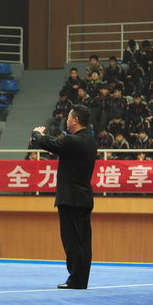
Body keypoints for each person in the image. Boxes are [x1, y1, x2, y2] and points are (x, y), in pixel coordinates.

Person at [31, 105, 97, 289]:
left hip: (71, 199)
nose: (66, 120)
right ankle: (80, 279)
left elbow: (50, 143)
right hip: (83, 197)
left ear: (75, 120)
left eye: (69, 117)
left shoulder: (73, 141)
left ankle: (76, 279)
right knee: (83, 241)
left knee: (72, 241)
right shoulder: (89, 140)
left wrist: (37, 134)